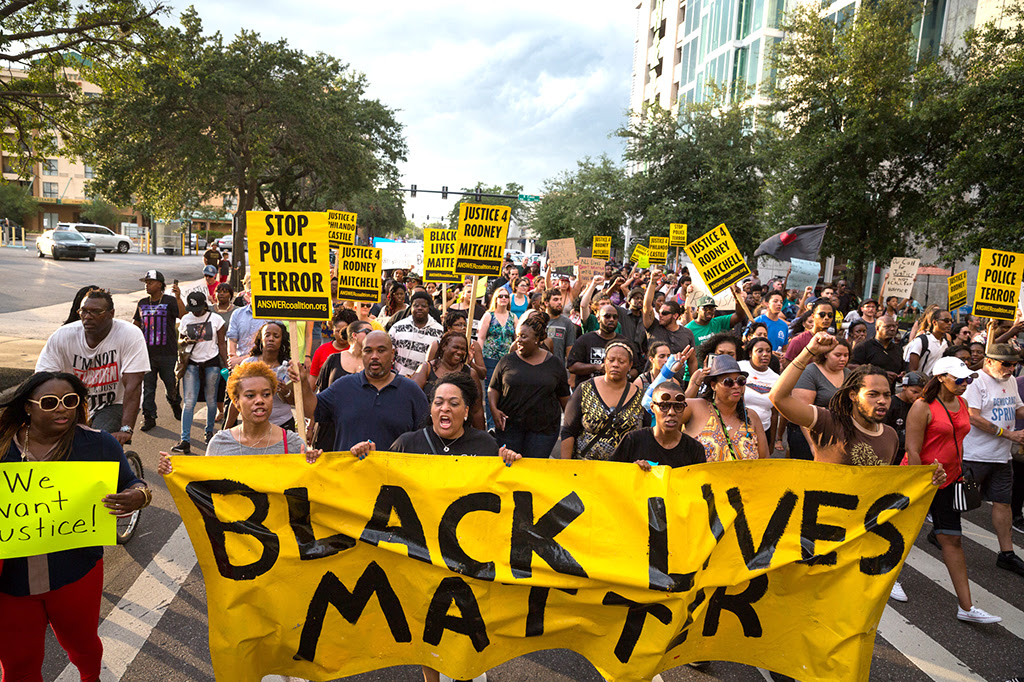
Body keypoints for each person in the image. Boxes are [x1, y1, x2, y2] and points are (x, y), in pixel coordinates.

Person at [0, 372, 150, 682]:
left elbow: (133, 481)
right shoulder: (3, 448)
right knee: (18, 664)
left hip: (76, 573)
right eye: (50, 402)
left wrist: (139, 495)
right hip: (10, 582)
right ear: (28, 407)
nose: (63, 409)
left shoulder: (97, 444)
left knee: (84, 647)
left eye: (71, 401)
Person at [905, 358, 1000, 623]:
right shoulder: (922, 406)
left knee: (952, 540)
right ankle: (888, 581)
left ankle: (967, 608)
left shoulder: (963, 403)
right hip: (921, 481)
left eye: (967, 379)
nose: (964, 384)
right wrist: (919, 481)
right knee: (904, 535)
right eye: (959, 379)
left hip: (949, 481)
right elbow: (912, 449)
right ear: (941, 378)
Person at [771, 333, 917, 468]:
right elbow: (778, 397)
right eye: (873, 394)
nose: (882, 400)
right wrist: (808, 351)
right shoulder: (829, 422)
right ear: (853, 396)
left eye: (886, 395)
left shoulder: (890, 436)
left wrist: (931, 479)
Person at [36, 289, 149, 443]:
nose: (87, 317)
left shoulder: (129, 335)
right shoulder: (63, 336)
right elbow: (42, 380)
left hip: (114, 403)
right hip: (74, 404)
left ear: (111, 313)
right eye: (84, 311)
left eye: (96, 312)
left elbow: (133, 385)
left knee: (96, 443)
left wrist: (126, 428)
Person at [293, 331, 428, 451]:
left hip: (393, 477)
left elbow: (427, 437)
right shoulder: (343, 387)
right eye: (368, 351)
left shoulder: (411, 392)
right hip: (349, 476)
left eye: (381, 350)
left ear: (392, 354)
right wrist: (303, 383)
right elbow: (311, 410)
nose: (374, 356)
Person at [960, 344, 1024, 577]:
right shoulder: (975, 382)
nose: (1011, 368)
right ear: (988, 361)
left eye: (1014, 364)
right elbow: (973, 417)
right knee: (962, 501)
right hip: (975, 455)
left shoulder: (1009, 381)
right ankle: (941, 532)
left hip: (1001, 456)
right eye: (1005, 363)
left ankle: (1006, 553)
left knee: (1003, 503)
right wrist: (1010, 434)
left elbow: (1018, 409)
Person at [489, 312, 571, 457]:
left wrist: (571, 427)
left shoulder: (554, 364)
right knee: (510, 468)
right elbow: (493, 388)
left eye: (524, 337)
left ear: (537, 339)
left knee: (533, 470)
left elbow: (564, 397)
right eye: (518, 335)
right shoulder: (507, 360)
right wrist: (494, 409)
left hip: (543, 431)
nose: (518, 340)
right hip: (509, 428)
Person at [560, 341, 645, 460]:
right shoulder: (585, 389)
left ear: (630, 365)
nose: (615, 364)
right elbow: (568, 430)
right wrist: (565, 466)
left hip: (624, 469)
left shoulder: (639, 397)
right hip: (585, 466)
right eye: (611, 360)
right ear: (604, 362)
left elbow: (645, 436)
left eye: (621, 362)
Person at [679, 355, 768, 461]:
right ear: (713, 386)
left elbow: (765, 460)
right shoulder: (694, 408)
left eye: (740, 381)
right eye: (728, 382)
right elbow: (663, 426)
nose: (736, 386)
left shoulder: (751, 416)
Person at [172, 292, 227, 453]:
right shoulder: (186, 319)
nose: (194, 312)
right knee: (189, 402)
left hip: (212, 362)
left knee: (211, 400)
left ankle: (209, 432)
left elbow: (222, 344)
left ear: (204, 305)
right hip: (191, 364)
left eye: (197, 308)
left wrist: (227, 363)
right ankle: (184, 439)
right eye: (192, 308)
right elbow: (180, 342)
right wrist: (184, 341)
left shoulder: (216, 320)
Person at [611, 380, 707, 469]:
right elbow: (611, 476)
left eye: (678, 407)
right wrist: (632, 470)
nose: (671, 412)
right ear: (652, 407)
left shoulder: (694, 449)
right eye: (664, 406)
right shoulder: (633, 441)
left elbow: (700, 484)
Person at [133, 270, 185, 431]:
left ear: (160, 284)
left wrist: (178, 298)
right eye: (146, 282)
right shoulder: (142, 302)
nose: (146, 285)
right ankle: (149, 417)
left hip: (168, 354)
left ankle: (175, 403)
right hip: (146, 354)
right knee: (148, 388)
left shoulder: (169, 301)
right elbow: (136, 324)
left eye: (150, 282)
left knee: (171, 384)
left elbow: (183, 316)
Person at [412, 330, 485, 430]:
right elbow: (411, 398)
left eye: (463, 349)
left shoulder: (471, 373)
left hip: (459, 433)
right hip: (428, 429)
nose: (459, 352)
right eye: (456, 347)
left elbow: (477, 410)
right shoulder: (427, 369)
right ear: (444, 346)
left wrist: (482, 439)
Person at [477, 289, 518, 429]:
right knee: (490, 392)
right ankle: (491, 424)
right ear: (495, 298)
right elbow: (481, 338)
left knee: (506, 391)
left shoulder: (513, 317)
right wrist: (479, 358)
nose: (503, 298)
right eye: (500, 296)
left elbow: (517, 338)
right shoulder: (489, 315)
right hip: (490, 358)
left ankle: (504, 422)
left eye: (506, 296)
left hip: (507, 360)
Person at [567, 304, 640, 383]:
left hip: (616, 390)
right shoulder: (585, 339)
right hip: (590, 390)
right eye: (607, 316)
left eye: (615, 317)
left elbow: (636, 368)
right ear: (598, 318)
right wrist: (596, 367)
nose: (612, 319)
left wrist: (626, 377)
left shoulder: (624, 343)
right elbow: (572, 366)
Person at [739, 336, 782, 448]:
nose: (765, 354)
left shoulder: (776, 378)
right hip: (739, 430)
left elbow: (774, 413)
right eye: (760, 351)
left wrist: (772, 441)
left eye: (768, 351)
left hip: (764, 431)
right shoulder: (739, 367)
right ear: (750, 353)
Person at [389, 291, 444, 377]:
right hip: (400, 379)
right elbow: (389, 353)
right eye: (416, 305)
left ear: (429, 308)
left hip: (426, 381)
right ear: (411, 307)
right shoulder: (398, 327)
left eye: (423, 306)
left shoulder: (439, 331)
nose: (419, 308)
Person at [227, 276, 278, 368]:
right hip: (240, 366)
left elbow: (272, 345)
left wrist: (242, 359)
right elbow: (232, 338)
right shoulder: (237, 314)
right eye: (253, 292)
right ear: (248, 294)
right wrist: (232, 357)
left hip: (264, 365)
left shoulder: (272, 316)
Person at [425, 311, 486, 380]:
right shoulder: (437, 344)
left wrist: (471, 363)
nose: (463, 328)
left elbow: (483, 375)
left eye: (465, 325)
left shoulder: (473, 344)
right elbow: (428, 369)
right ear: (449, 328)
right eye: (459, 325)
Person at [309, 307, 357, 389]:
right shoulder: (321, 350)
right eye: (338, 331)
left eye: (344, 331)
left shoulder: (357, 350)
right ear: (333, 329)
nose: (341, 335)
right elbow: (312, 384)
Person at [885, 372, 927, 459]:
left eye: (922, 394)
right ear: (904, 387)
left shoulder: (922, 406)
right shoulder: (891, 403)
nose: (918, 396)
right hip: (891, 451)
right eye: (914, 392)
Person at [850, 315, 903, 382]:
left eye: (894, 326)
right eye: (887, 326)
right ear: (877, 328)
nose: (892, 329)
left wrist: (902, 375)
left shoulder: (897, 349)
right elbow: (851, 367)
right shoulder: (863, 347)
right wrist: (880, 374)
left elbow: (902, 368)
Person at [784, 299, 836, 363]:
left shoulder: (833, 341)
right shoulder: (798, 341)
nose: (826, 318)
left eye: (830, 315)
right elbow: (787, 365)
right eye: (822, 314)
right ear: (813, 316)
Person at [907, 308, 952, 374]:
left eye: (951, 321)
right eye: (946, 320)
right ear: (934, 322)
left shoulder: (946, 344)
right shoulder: (921, 341)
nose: (950, 323)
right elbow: (912, 370)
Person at [544, 288, 577, 361]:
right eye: (555, 300)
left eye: (560, 299)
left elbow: (569, 350)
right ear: (546, 303)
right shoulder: (539, 320)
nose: (559, 302)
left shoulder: (567, 323)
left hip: (558, 368)